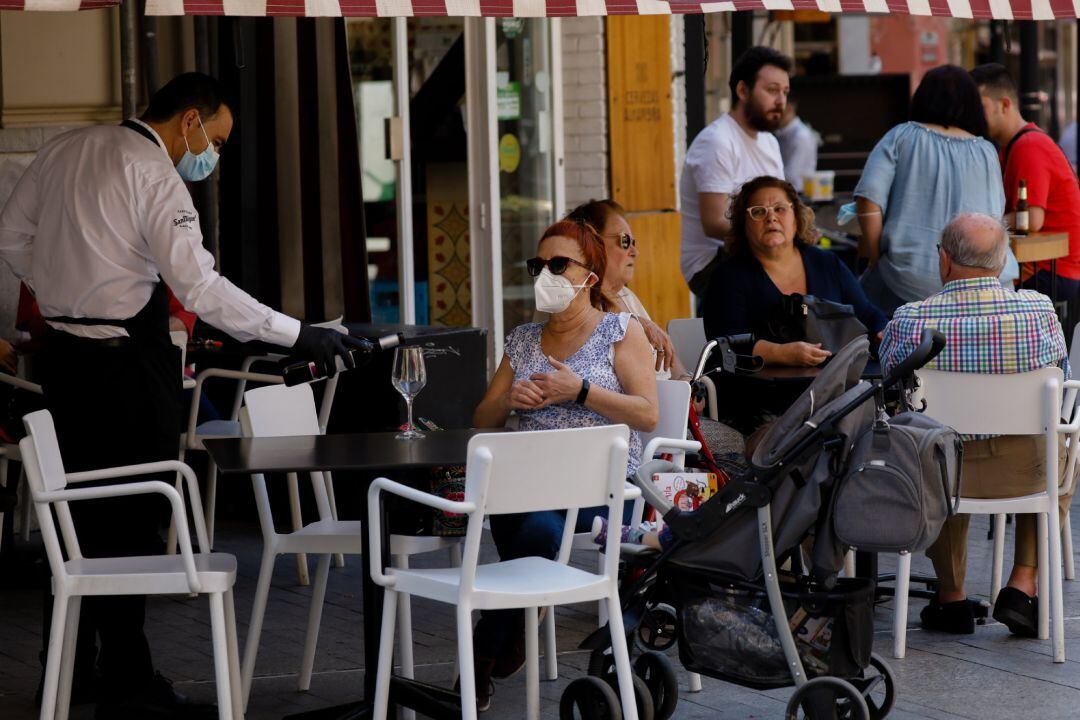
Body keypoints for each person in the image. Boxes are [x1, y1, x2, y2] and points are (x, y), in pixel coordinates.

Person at [0, 72, 368, 719]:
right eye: (217, 140)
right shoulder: (157, 177)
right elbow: (202, 290)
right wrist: (297, 333)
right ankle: (126, 687)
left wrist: (62, 285)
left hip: (64, 365)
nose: (212, 156)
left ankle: (72, 673)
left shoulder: (63, 149)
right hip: (127, 371)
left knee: (81, 524)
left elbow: (9, 239)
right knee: (134, 525)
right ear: (190, 121)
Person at [471, 218, 657, 712]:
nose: (545, 275)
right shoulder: (524, 339)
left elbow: (648, 411)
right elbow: (483, 419)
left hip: (602, 489)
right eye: (539, 265)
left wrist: (580, 391)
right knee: (520, 513)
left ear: (590, 276)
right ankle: (512, 625)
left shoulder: (622, 330)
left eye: (559, 265)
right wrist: (511, 398)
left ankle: (486, 650)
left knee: (533, 533)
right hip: (529, 483)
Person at [879, 213, 1072, 637]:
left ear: (944, 261)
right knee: (1054, 443)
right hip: (1026, 475)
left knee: (935, 443)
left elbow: (890, 381)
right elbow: (1059, 375)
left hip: (945, 479)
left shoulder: (910, 320)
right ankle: (1022, 585)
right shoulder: (1039, 310)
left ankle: (952, 600)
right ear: (1003, 263)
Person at [854, 65, 1019, 315]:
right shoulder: (986, 151)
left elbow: (867, 199)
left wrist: (877, 257)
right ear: (972, 104)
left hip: (909, 281)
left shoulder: (901, 136)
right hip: (986, 284)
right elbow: (994, 216)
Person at [703, 176, 887, 365]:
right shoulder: (728, 277)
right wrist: (781, 353)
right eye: (758, 212)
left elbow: (868, 315)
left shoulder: (826, 263)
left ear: (797, 218)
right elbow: (726, 345)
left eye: (780, 209)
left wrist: (882, 333)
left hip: (835, 387)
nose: (771, 217)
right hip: (759, 389)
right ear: (744, 225)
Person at [679, 46, 790, 297]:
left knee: (823, 272)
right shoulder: (717, 141)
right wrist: (781, 234)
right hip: (713, 262)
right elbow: (715, 222)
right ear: (742, 90)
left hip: (758, 252)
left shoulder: (770, 142)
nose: (781, 101)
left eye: (785, 92)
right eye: (772, 90)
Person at [972, 63, 1080, 305]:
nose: (974, 115)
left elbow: (1031, 219)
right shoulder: (1010, 147)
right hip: (1042, 267)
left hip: (1050, 271)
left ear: (1005, 105)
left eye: (981, 107)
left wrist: (979, 225)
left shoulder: (1028, 145)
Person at [556, 200, 690, 380]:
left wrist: (685, 380)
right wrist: (634, 322)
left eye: (633, 242)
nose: (635, 252)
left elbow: (668, 357)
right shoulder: (567, 300)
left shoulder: (625, 295)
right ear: (591, 242)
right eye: (625, 241)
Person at [774, 99, 819, 190]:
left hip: (798, 193)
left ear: (789, 108)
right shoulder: (782, 133)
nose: (775, 115)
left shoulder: (801, 136)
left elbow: (792, 175)